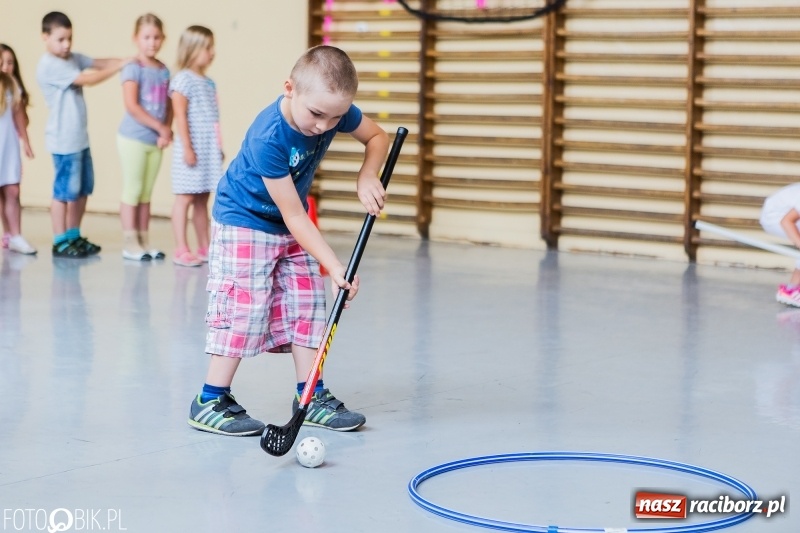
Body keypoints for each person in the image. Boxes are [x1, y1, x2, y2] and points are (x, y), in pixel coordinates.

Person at [187, 45, 389, 436]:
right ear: (290, 89)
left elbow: (377, 137)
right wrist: (334, 264)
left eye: (335, 118)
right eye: (316, 114)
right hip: (245, 220)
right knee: (245, 308)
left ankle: (310, 395)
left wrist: (367, 174)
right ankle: (210, 399)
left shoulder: (332, 111)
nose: (324, 127)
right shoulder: (269, 136)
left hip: (289, 221)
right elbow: (296, 215)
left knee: (308, 305)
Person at [36, 11, 129, 258]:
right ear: (45, 37)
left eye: (70, 38)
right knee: (64, 192)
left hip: (80, 139)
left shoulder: (71, 58)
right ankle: (59, 240)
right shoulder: (49, 65)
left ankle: (74, 235)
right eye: (60, 39)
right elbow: (88, 79)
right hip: (63, 142)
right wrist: (120, 66)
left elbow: (97, 62)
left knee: (82, 190)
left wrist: (127, 59)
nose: (66, 45)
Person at [117, 14, 172, 261]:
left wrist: (166, 130)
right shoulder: (133, 68)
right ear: (136, 39)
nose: (152, 42)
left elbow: (169, 105)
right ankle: (130, 242)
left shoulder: (163, 70)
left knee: (146, 193)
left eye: (156, 37)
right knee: (133, 189)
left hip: (155, 141)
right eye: (146, 37)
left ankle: (143, 239)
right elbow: (132, 105)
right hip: (133, 138)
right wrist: (160, 127)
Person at [169, 25, 222, 267]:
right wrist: (188, 148)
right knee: (185, 198)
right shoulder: (182, 80)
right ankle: (181, 248)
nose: (212, 53)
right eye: (208, 48)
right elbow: (180, 115)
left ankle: (205, 246)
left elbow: (214, 119)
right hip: (191, 148)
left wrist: (218, 146)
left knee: (202, 199)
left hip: (207, 148)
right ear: (192, 49)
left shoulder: (209, 82)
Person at [0, 44, 36, 255]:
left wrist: (26, 141)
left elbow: (19, 116)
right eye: (2, 62)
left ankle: (16, 235)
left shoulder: (14, 87)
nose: (5, 66)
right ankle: (8, 233)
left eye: (10, 62)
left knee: (12, 190)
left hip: (9, 146)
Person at [761, 183, 800, 306]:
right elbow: (786, 221)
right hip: (774, 217)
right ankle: (790, 290)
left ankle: (792, 289)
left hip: (785, 215)